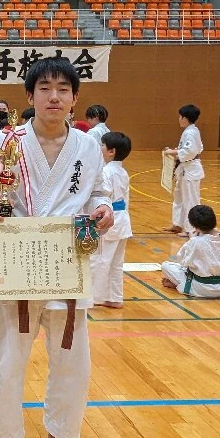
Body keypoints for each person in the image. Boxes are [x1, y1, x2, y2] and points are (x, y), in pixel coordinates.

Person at [0, 58, 113, 438]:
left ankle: (60, 437)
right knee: (7, 358)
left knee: (72, 360)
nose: (54, 96)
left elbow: (98, 192)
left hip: (68, 262)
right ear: (29, 96)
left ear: (75, 99)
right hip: (16, 259)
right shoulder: (5, 142)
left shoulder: (87, 146)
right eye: (45, 88)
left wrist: (102, 208)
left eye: (63, 89)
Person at [90, 131, 133, 309]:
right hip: (122, 221)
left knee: (99, 260)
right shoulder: (122, 172)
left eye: (102, 145)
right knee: (116, 262)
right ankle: (115, 297)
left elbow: (104, 198)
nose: (100, 148)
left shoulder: (106, 172)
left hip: (110, 220)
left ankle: (94, 297)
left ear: (111, 151)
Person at [161, 205, 220, 298]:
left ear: (195, 227)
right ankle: (180, 284)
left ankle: (180, 285)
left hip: (200, 289)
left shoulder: (196, 241)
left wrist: (192, 239)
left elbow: (182, 261)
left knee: (166, 266)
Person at [163, 104, 204, 238]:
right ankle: (178, 224)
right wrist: (176, 151)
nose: (179, 119)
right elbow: (192, 148)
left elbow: (190, 152)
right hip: (185, 168)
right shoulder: (190, 131)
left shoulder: (191, 132)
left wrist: (172, 151)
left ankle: (190, 229)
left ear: (185, 118)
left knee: (191, 200)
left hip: (191, 169)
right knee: (179, 198)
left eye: (180, 117)